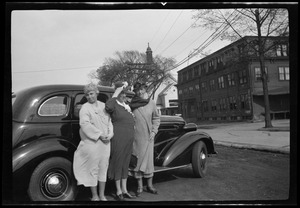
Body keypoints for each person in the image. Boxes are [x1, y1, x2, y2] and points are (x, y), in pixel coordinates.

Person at [73, 83, 114, 201]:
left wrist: (109, 135)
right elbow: (85, 124)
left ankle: (102, 195)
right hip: (93, 143)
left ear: (97, 93)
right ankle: (95, 196)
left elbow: (109, 122)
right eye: (87, 95)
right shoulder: (85, 108)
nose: (90, 96)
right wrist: (100, 135)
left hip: (105, 144)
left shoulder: (103, 106)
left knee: (103, 168)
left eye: (91, 94)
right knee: (93, 169)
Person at [105, 81, 136, 201]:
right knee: (118, 162)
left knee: (125, 163)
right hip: (119, 138)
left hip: (129, 138)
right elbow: (108, 107)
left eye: (125, 93)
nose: (124, 95)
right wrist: (117, 91)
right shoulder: (114, 104)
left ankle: (125, 189)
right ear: (117, 93)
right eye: (122, 93)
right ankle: (118, 190)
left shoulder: (126, 106)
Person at [129, 82, 160, 197]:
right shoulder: (132, 104)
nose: (140, 92)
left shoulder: (151, 103)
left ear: (145, 90)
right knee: (138, 162)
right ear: (135, 92)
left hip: (149, 137)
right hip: (136, 138)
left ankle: (150, 185)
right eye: (137, 91)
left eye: (142, 89)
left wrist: (154, 131)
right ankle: (140, 186)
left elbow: (156, 119)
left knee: (148, 162)